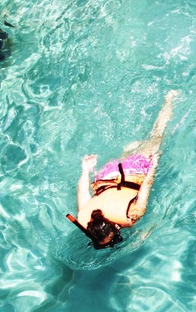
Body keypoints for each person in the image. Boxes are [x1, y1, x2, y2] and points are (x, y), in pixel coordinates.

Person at [67, 90, 179, 249]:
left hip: (134, 170)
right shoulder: (84, 218)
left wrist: (153, 165)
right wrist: (85, 169)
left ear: (116, 227)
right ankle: (130, 150)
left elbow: (146, 186)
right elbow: (82, 191)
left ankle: (170, 100)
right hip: (108, 173)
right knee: (134, 149)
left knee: (158, 134)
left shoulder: (133, 214)